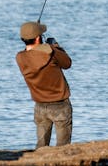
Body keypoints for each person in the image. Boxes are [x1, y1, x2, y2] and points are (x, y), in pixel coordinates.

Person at [16, 20, 73, 148]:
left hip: (40, 106)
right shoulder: (52, 53)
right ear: (37, 38)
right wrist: (56, 47)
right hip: (60, 105)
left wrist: (48, 47)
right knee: (63, 148)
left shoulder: (20, 58)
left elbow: (32, 53)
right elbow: (67, 63)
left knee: (41, 147)